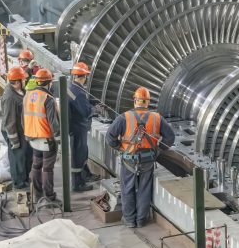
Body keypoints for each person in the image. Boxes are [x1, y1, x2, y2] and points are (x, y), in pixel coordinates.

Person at [106, 86, 175, 228]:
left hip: (129, 160)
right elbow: (170, 137)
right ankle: (141, 220)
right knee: (144, 189)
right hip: (148, 160)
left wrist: (120, 147)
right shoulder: (157, 118)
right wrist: (159, 149)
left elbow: (110, 137)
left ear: (135, 101)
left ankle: (130, 220)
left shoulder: (124, 117)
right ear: (147, 102)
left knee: (128, 189)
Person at [23, 68, 60, 202]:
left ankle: (37, 194)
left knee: (36, 165)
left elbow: (24, 118)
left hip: (32, 138)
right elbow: (53, 122)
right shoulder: (48, 98)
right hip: (46, 138)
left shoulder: (27, 96)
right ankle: (49, 196)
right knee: (48, 168)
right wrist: (58, 137)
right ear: (49, 82)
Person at [68, 62, 99, 192]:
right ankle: (78, 184)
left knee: (82, 152)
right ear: (83, 77)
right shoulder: (79, 92)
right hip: (78, 128)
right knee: (78, 155)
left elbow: (80, 104)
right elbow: (85, 112)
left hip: (74, 127)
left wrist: (91, 102)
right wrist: (95, 109)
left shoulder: (71, 87)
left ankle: (86, 175)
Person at [0, 66, 32, 190]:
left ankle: (24, 178)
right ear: (17, 82)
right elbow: (9, 121)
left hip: (21, 129)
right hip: (14, 131)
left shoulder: (19, 90)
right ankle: (19, 182)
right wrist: (14, 141)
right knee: (17, 156)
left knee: (25, 154)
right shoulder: (10, 97)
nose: (25, 81)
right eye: (23, 80)